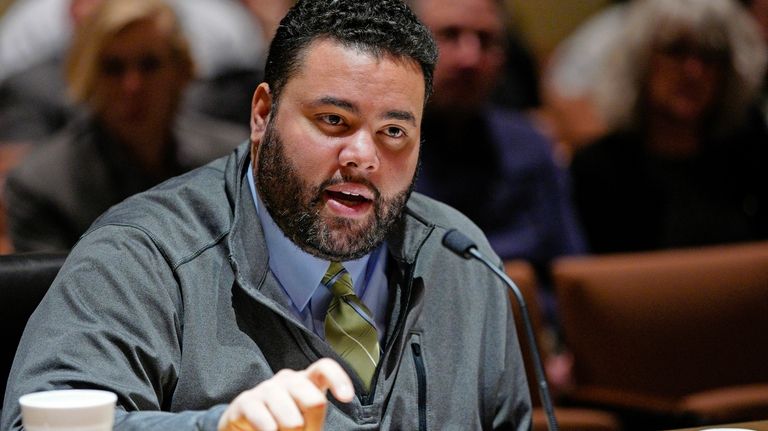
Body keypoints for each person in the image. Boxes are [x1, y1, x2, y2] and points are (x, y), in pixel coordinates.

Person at [1, 0, 532, 430]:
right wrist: (216, 427)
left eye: (394, 131)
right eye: (333, 120)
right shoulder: (141, 254)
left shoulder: (462, 260)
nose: (363, 156)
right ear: (263, 115)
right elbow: (40, 421)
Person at [3, 0, 246, 252]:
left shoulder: (233, 161)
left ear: (181, 71)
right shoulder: (43, 185)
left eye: (149, 64)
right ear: (88, 77)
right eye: (113, 68)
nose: (132, 86)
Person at [570, 0, 768, 253]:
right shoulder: (596, 168)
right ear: (641, 61)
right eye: (676, 50)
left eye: (710, 55)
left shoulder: (751, 154)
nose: (694, 71)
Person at [408, 0, 585, 269]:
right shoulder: (370, 150)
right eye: (449, 35)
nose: (470, 58)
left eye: (486, 39)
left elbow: (573, 277)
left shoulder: (531, 145)